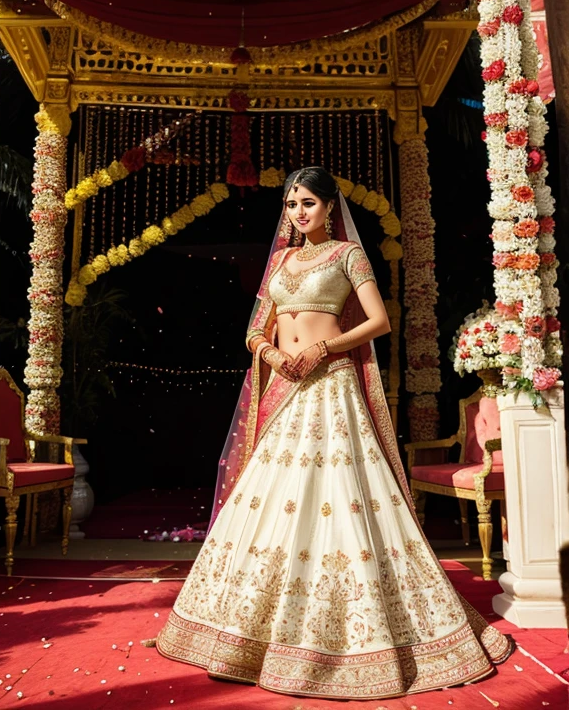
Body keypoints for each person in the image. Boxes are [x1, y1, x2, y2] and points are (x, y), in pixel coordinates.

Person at [156, 166, 512, 700]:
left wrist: (323, 348)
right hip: (287, 384)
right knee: (273, 501)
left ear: (329, 207)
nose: (299, 213)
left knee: (338, 497)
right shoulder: (280, 260)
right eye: (292, 205)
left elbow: (378, 322)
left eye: (309, 204)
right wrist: (273, 352)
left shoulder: (348, 256)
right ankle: (245, 637)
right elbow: (257, 326)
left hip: (331, 385)